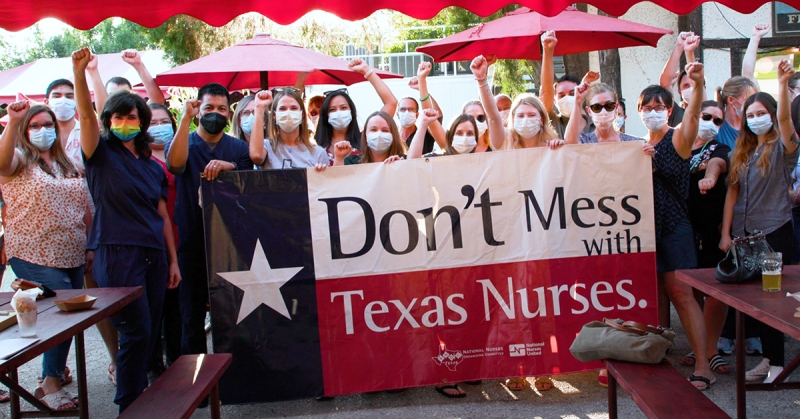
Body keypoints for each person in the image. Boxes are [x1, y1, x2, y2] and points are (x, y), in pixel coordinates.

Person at [72, 46, 180, 412]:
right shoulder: (101, 154)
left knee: (150, 334)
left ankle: (138, 397)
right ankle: (129, 405)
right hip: (116, 253)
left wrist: (173, 261)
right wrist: (81, 73)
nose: (124, 122)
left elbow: (162, 215)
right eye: (117, 117)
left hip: (153, 255)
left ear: (143, 121)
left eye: (132, 117)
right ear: (109, 120)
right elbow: (87, 118)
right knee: (135, 331)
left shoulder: (152, 166)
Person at [0, 102, 88, 410]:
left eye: (47, 124)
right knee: (62, 314)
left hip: (74, 253)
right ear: (24, 132)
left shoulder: (71, 164)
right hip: (33, 252)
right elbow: (1, 161)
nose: (42, 131)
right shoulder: (20, 161)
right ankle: (50, 383)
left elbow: (85, 207)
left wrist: (89, 247)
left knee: (69, 315)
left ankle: (51, 375)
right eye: (34, 126)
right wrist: (12, 122)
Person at [719, 60, 799, 384]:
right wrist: (725, 233)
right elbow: (732, 195)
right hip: (743, 237)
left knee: (772, 300)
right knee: (755, 303)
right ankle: (769, 359)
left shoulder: (783, 147)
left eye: (761, 113)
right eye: (750, 115)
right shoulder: (743, 151)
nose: (756, 119)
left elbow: (784, 121)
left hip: (775, 232)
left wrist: (781, 83)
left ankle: (776, 364)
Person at [166, 83, 252, 361]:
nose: (215, 114)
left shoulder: (238, 148)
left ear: (230, 114)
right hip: (192, 240)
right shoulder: (184, 142)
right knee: (191, 312)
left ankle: (236, 371)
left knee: (234, 308)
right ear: (198, 110)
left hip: (231, 241)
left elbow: (249, 183)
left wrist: (231, 168)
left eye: (222, 109)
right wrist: (184, 120)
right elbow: (175, 164)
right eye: (209, 108)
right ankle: (197, 381)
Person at [640, 62, 712, 390]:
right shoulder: (634, 144)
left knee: (683, 294)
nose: (653, 112)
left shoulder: (678, 139)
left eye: (659, 107)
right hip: (644, 232)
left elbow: (694, 116)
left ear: (670, 111)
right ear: (638, 111)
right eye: (647, 107)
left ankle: (703, 365)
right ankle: (659, 363)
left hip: (675, 227)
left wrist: (697, 87)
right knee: (654, 298)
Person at [678, 100, 733, 375]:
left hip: (713, 230)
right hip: (682, 229)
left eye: (717, 120)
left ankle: (711, 349)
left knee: (716, 291)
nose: (711, 122)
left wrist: (710, 178)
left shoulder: (718, 148)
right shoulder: (678, 144)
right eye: (706, 116)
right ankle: (699, 346)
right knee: (691, 291)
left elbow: (717, 164)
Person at [146, 103, 182, 379]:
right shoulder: (142, 161)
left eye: (163, 120)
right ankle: (154, 370)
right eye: (152, 122)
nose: (159, 126)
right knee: (152, 313)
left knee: (176, 313)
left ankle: (177, 367)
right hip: (155, 244)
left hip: (183, 239)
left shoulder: (181, 152)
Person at [315, 59, 398, 160]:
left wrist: (367, 71)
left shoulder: (366, 139)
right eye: (332, 110)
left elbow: (391, 103)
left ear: (352, 111)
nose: (339, 113)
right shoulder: (315, 147)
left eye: (343, 107)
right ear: (325, 115)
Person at [249, 88, 329, 170]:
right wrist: (259, 108)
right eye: (282, 108)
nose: (288, 113)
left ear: (302, 114)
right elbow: (256, 156)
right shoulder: (267, 146)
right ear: (274, 115)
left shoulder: (318, 153)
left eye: (294, 108)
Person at [539, 30, 595, 139]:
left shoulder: (597, 122)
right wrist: (548, 51)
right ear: (554, 100)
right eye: (561, 95)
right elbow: (546, 91)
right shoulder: (552, 123)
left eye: (572, 93)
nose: (568, 98)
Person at [565, 82, 641, 144]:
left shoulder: (632, 143)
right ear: (589, 111)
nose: (603, 112)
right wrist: (577, 102)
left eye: (609, 106)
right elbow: (569, 143)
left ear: (616, 107)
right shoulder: (584, 141)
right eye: (596, 107)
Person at [332, 111, 406, 165]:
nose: (379, 134)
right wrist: (339, 158)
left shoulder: (404, 161)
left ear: (393, 135)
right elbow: (337, 182)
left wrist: (401, 168)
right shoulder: (352, 162)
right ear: (365, 135)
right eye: (373, 130)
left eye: (385, 130)